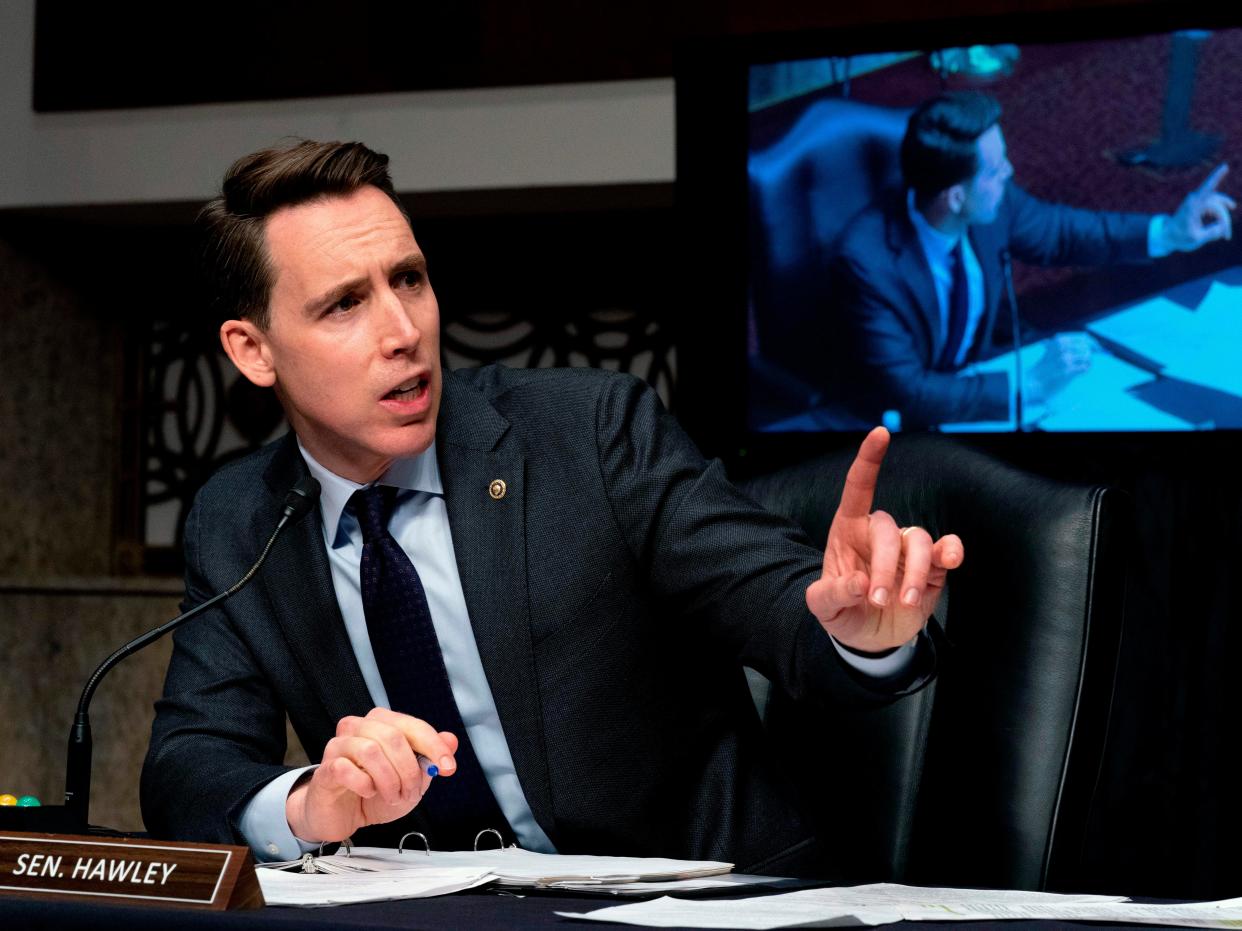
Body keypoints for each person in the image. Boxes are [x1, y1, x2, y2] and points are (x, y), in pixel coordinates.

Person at [141, 140, 963, 875]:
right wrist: (307, 806)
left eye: (410, 280)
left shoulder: (590, 432)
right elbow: (189, 764)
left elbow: (780, 601)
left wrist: (859, 635)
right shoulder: (240, 515)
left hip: (684, 905)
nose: (403, 331)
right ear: (253, 350)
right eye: (344, 304)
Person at [831, 90, 1235, 427]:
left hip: (975, 383)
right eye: (994, 170)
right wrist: (1030, 385)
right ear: (955, 197)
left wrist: (1169, 232)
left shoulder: (991, 205)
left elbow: (1063, 233)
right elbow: (909, 390)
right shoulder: (868, 261)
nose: (1009, 172)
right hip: (892, 426)